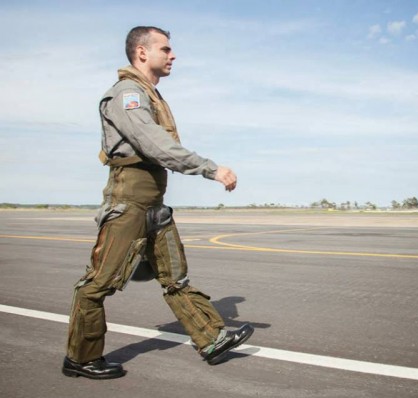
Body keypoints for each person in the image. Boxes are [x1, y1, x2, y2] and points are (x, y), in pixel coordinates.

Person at [62, 26, 253, 380]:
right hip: (129, 200)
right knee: (98, 283)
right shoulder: (127, 94)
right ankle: (81, 357)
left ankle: (212, 338)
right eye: (166, 49)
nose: (173, 55)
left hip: (154, 202)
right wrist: (210, 169)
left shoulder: (150, 94)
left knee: (174, 276)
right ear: (142, 52)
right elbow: (155, 145)